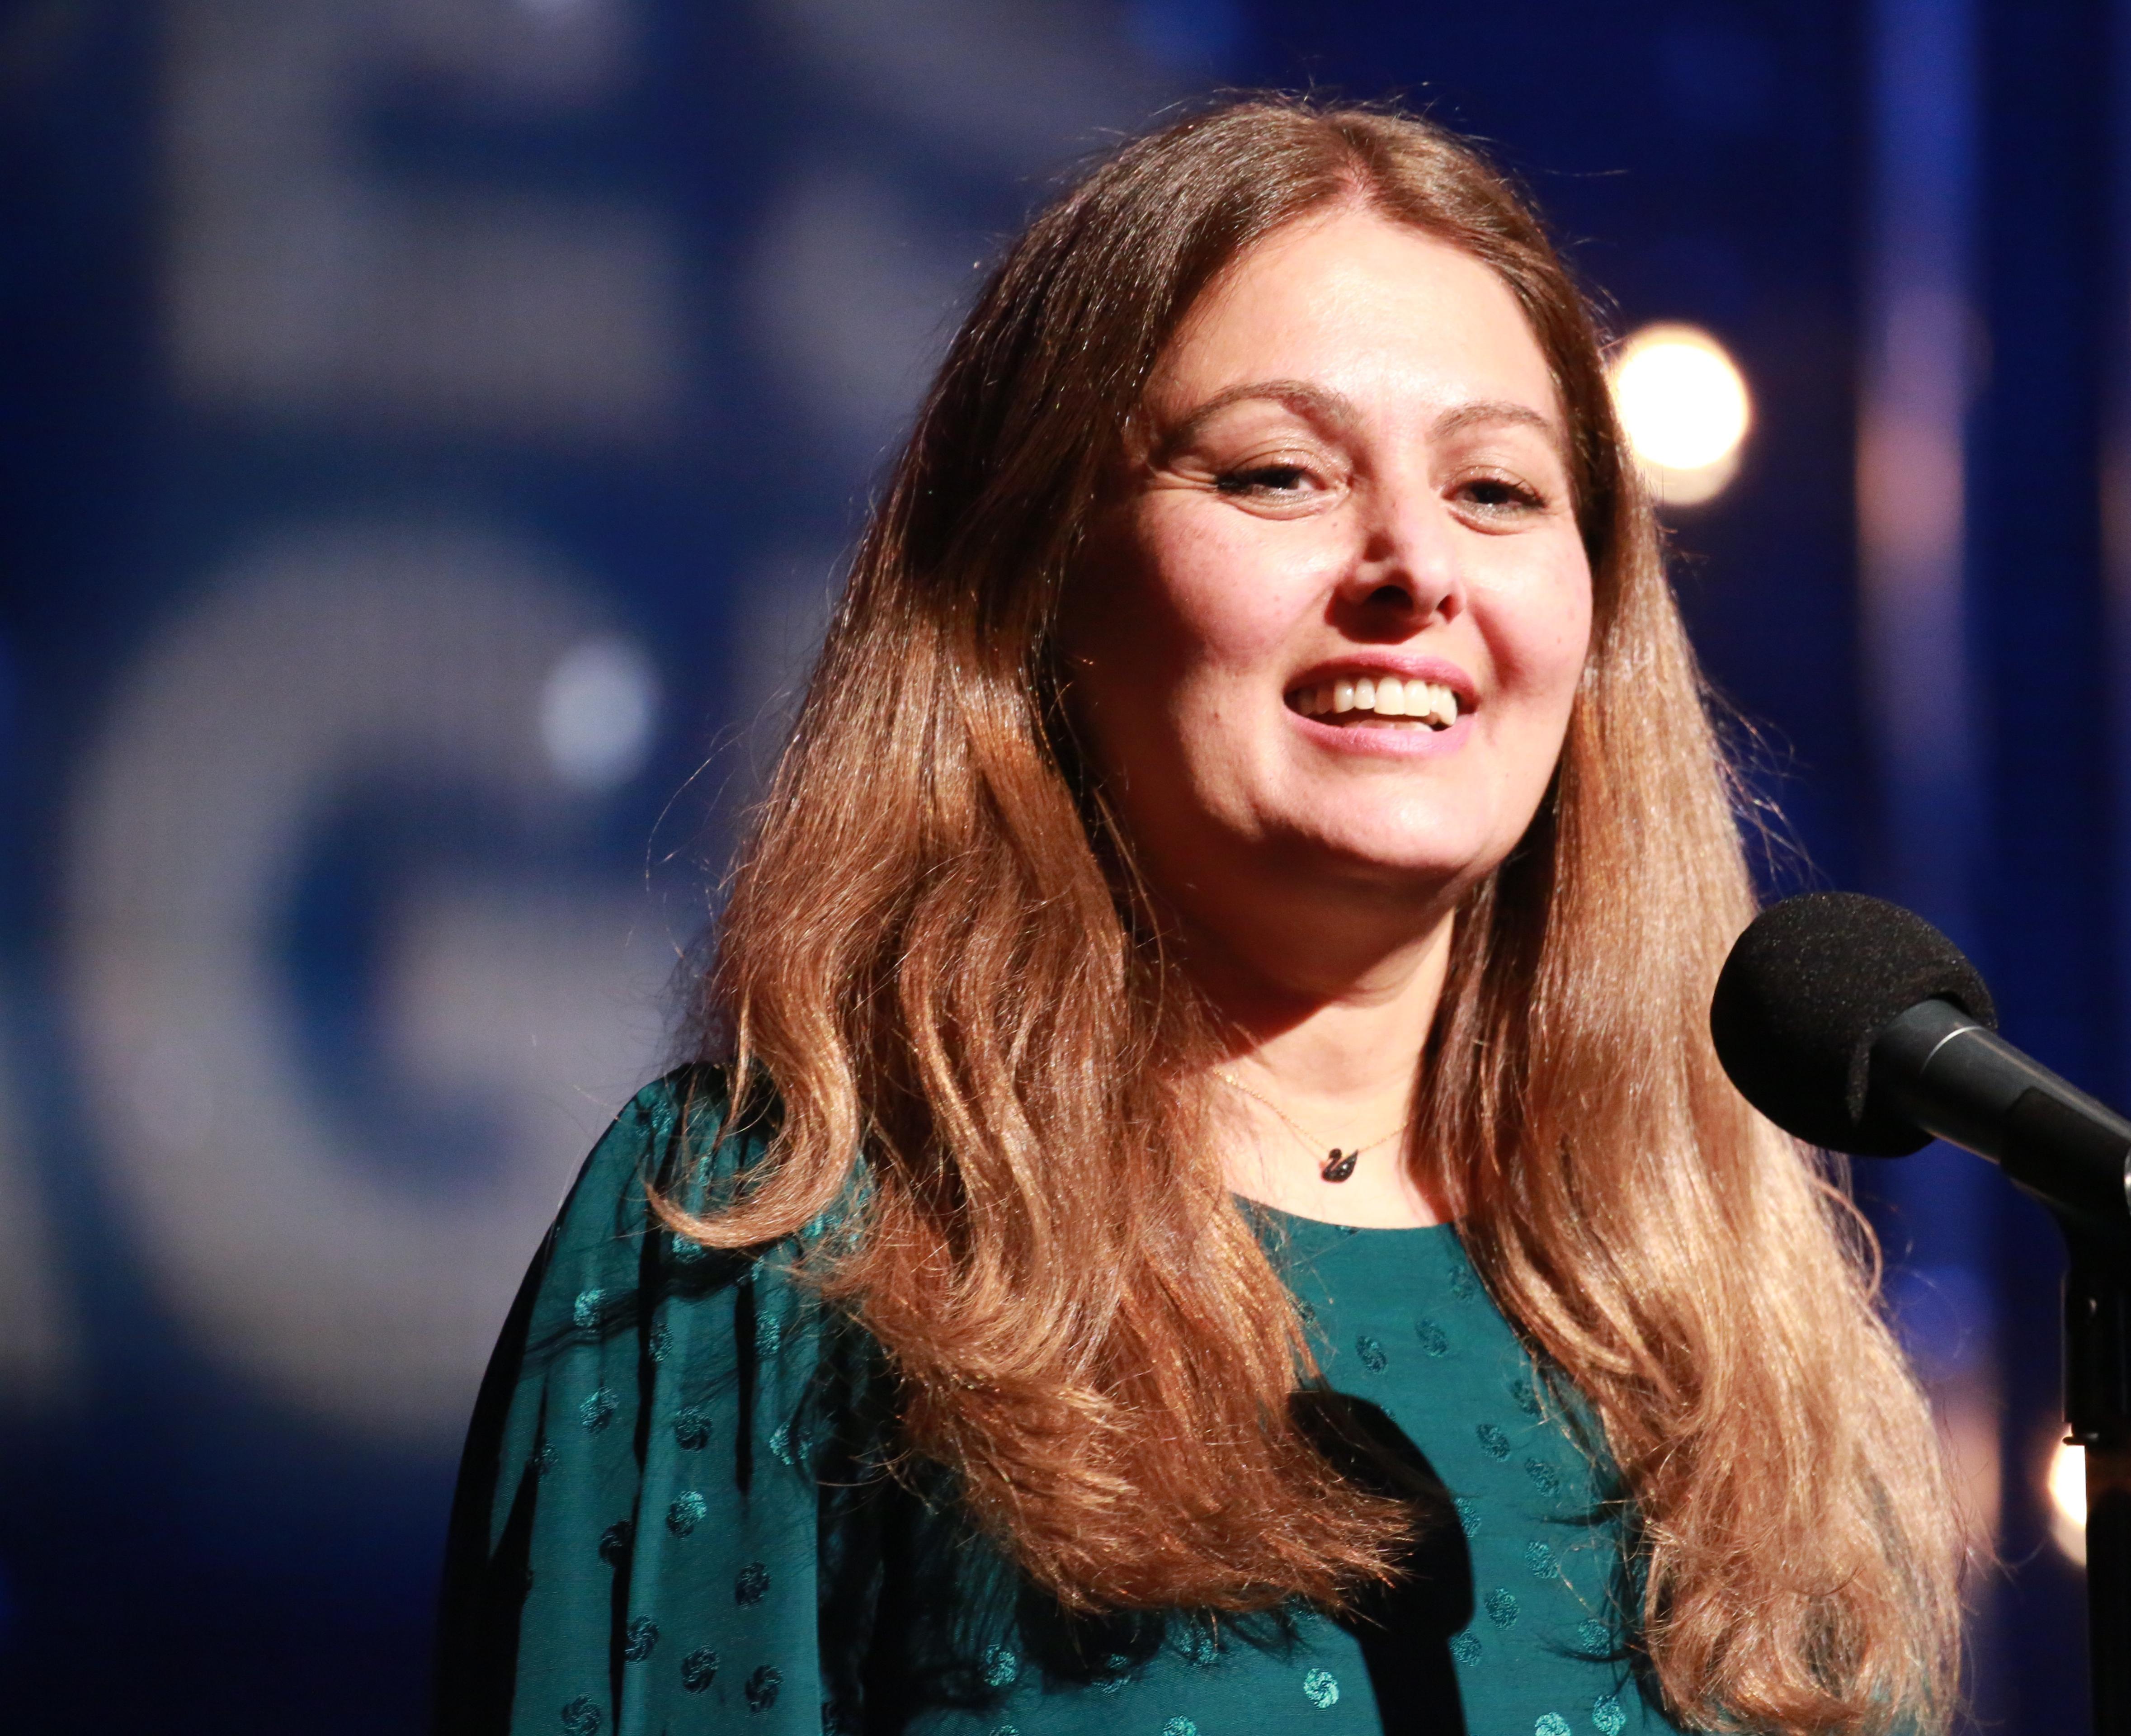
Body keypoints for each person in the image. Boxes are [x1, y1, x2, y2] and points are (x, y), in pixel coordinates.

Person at [436, 97, 1964, 1736]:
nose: (1415, 567)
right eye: (1278, 473)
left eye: (1498, 491)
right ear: (1038, 585)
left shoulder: (1743, 1349)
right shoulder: (780, 1234)